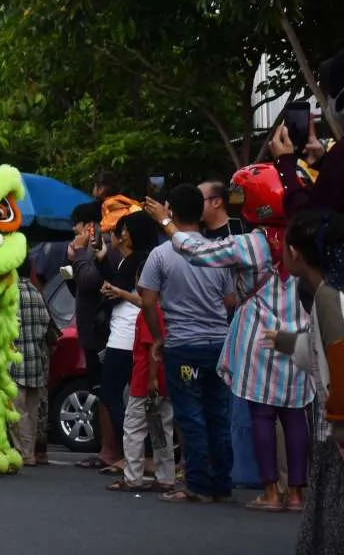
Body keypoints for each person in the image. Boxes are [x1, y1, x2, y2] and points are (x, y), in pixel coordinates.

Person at [147, 166, 314, 512]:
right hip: (301, 335)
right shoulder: (308, 238)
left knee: (261, 416)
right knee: (295, 416)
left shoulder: (252, 243)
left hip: (259, 340)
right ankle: (297, 494)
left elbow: (198, 253)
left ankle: (270, 492)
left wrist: (167, 223)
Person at [138, 184, 236, 503]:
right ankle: (221, 482)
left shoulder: (161, 255)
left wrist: (159, 337)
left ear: (171, 211)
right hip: (219, 345)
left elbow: (149, 301)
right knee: (218, 413)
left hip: (183, 348)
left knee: (191, 414)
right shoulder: (217, 251)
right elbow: (231, 300)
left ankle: (197, 484)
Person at [263, 210, 344, 553]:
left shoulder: (327, 295)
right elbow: (321, 349)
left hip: (337, 432)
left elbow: (338, 359)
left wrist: (341, 427)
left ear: (295, 252)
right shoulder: (330, 291)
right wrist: (284, 340)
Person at [97, 211, 161, 476]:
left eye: (125, 229)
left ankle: (135, 455)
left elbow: (147, 301)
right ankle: (138, 455)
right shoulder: (129, 261)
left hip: (128, 336)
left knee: (116, 395)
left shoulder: (143, 261)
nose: (121, 233)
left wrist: (119, 292)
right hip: (122, 334)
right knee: (130, 398)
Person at [67, 201, 120, 471]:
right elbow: (80, 288)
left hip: (103, 334)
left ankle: (111, 451)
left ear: (89, 226)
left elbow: (91, 282)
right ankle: (107, 450)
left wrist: (78, 254)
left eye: (76, 227)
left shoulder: (104, 250)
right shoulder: (91, 251)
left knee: (107, 392)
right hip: (95, 331)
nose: (74, 233)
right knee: (101, 391)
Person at [109, 305, 175, 493]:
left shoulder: (150, 312)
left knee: (134, 429)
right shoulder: (166, 309)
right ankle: (165, 477)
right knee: (161, 430)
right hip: (163, 380)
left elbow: (154, 345)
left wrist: (151, 377)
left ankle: (133, 477)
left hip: (145, 379)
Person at [10, 261, 52, 466]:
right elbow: (46, 324)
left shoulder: (10, 295)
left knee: (17, 413)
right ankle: (31, 451)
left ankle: (25, 453)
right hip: (36, 362)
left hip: (16, 363)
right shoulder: (37, 293)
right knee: (32, 412)